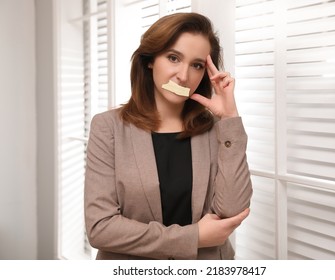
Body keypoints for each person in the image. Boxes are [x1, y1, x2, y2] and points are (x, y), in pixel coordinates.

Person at [84, 12, 252, 260]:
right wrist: (193, 237)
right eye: (173, 58)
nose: (183, 76)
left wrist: (229, 118)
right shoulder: (108, 127)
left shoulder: (218, 130)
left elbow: (232, 211)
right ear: (150, 60)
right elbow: (101, 229)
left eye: (196, 65)